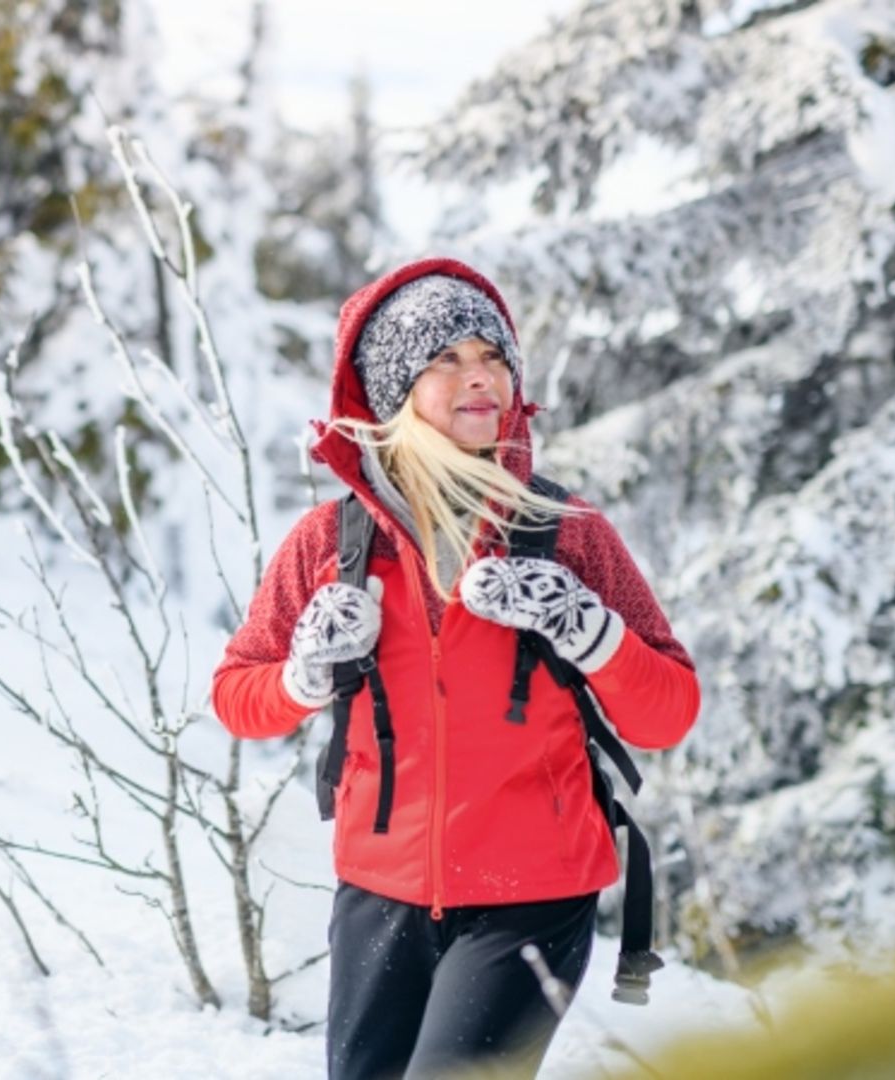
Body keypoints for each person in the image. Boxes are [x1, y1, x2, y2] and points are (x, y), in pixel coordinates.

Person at [211, 258, 701, 1079]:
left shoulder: (565, 532)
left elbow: (669, 711)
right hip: (378, 892)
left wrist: (588, 629)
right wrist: (304, 674)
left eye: (494, 358)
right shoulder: (332, 547)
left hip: (531, 899)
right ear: (396, 388)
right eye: (448, 360)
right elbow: (236, 696)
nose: (482, 379)